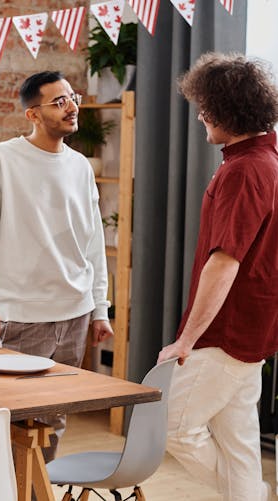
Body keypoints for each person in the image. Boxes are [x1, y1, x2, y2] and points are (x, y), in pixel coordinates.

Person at [0, 71, 113, 461]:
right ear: (33, 114)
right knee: (11, 419)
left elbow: (92, 241)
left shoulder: (80, 166)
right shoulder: (2, 159)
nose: (72, 106)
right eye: (59, 101)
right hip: (22, 316)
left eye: (72, 97)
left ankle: (36, 491)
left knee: (54, 420)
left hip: (76, 314)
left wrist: (100, 307)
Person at [158, 53, 278, 501]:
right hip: (255, 329)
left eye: (206, 106)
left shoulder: (245, 170)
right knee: (239, 443)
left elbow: (225, 261)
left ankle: (249, 495)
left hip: (226, 332)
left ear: (228, 110)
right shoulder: (267, 159)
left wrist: (187, 339)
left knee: (170, 426)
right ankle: (248, 492)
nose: (200, 114)